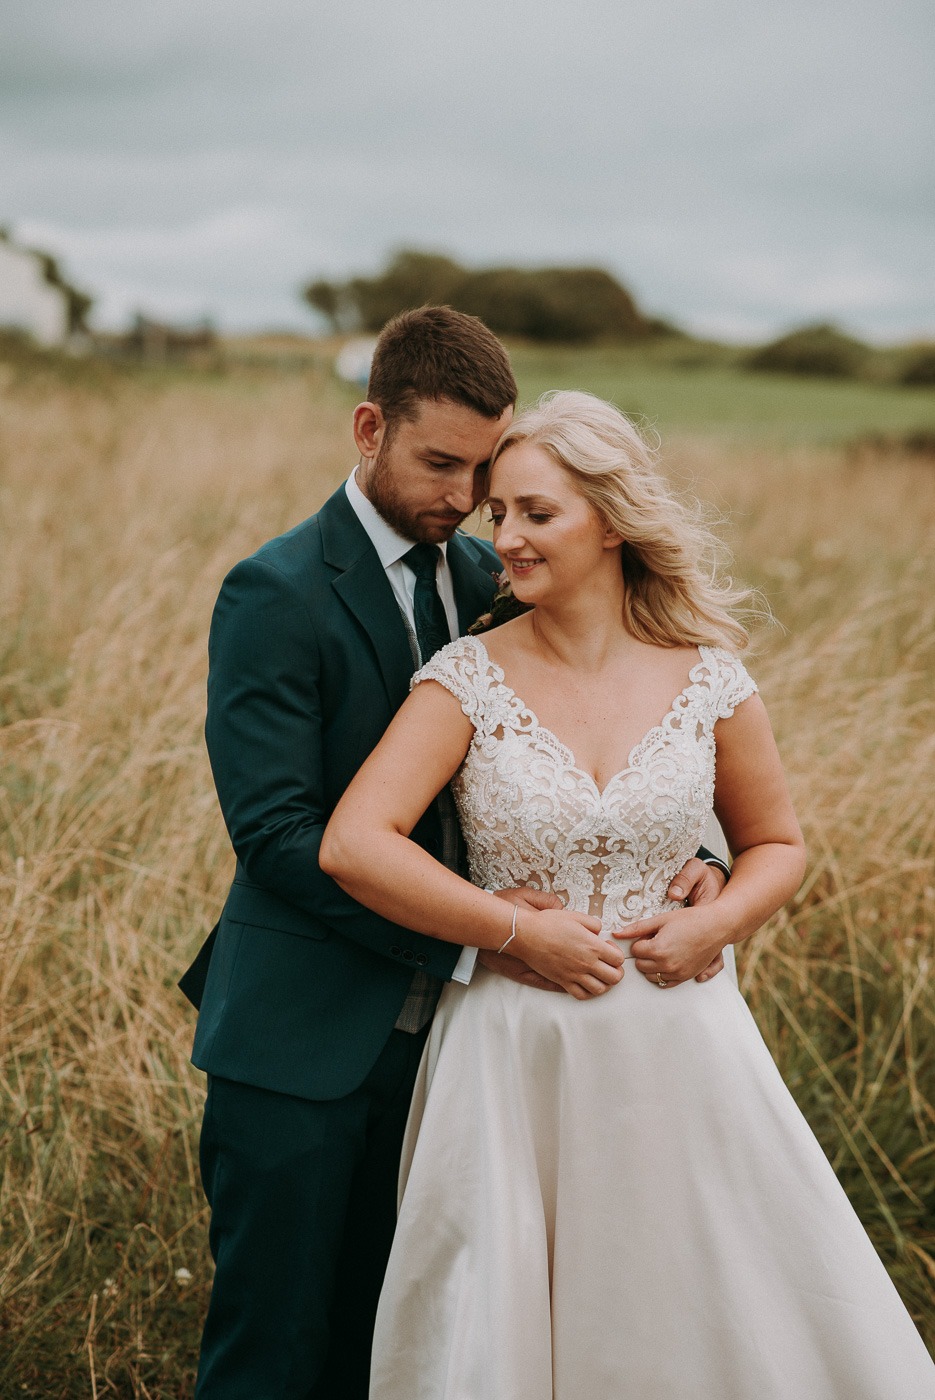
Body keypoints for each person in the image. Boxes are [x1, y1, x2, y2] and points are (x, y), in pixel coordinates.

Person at [321, 390, 935, 1399]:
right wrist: (514, 928)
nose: (505, 540)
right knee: (506, 1312)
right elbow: (354, 843)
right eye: (497, 516)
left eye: (535, 513)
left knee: (693, 1296)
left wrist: (719, 919)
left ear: (609, 521)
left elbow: (775, 841)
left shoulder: (708, 680)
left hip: (682, 1041)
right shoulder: (464, 677)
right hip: (516, 1045)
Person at [179, 311, 728, 1399]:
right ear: (368, 426)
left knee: (397, 1340)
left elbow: (594, 725)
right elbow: (283, 835)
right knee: (271, 1344)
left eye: (485, 466)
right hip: (303, 1034)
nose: (466, 495)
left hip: (463, 1056)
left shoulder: (495, 572)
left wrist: (695, 848)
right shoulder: (274, 591)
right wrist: (491, 932)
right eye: (440, 462)